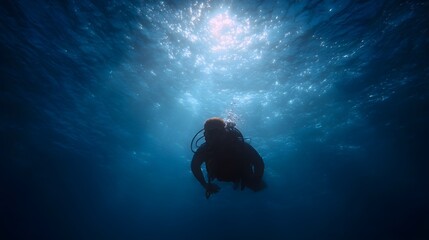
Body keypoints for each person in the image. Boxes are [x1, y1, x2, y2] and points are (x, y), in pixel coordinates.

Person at [191, 117, 265, 199]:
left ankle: (239, 182)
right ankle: (237, 183)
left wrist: (257, 179)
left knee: (258, 187)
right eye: (206, 133)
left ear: (223, 133)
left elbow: (258, 162)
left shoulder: (240, 146)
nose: (206, 137)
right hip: (220, 174)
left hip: (241, 174)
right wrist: (205, 185)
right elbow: (194, 166)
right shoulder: (205, 149)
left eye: (211, 133)